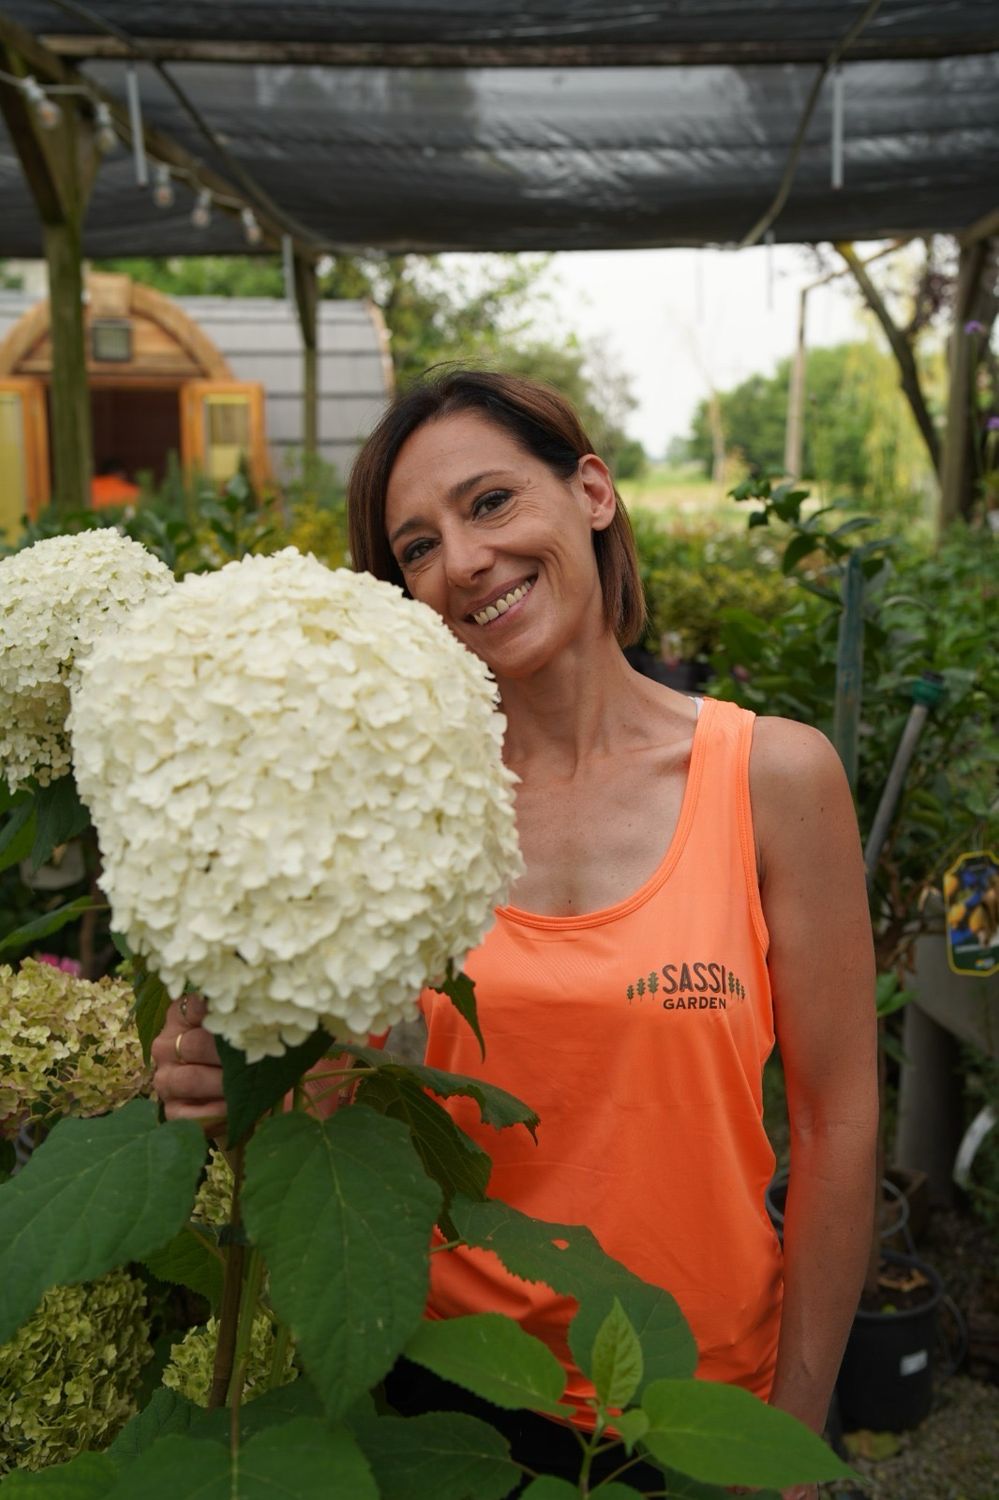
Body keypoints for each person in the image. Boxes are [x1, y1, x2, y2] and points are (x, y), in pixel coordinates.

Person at [153, 370, 879, 1498]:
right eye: (418, 547)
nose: (464, 560)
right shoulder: (388, 806)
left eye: (490, 502)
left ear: (590, 491)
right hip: (452, 1400)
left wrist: (791, 1438)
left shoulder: (771, 778)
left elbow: (837, 1123)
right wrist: (226, 1080)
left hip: (696, 1407)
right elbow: (333, 1103)